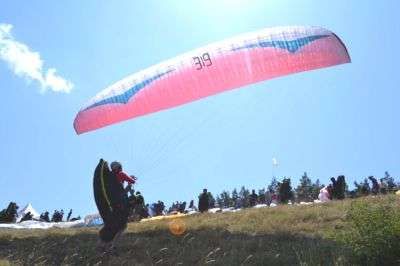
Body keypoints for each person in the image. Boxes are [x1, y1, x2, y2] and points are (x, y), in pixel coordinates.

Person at [94, 159, 138, 253]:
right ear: (119, 167)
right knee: (120, 226)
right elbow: (132, 181)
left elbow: (120, 193)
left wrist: (128, 186)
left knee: (115, 225)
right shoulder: (121, 174)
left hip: (114, 204)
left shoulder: (110, 177)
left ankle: (105, 246)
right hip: (120, 206)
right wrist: (132, 179)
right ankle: (108, 246)